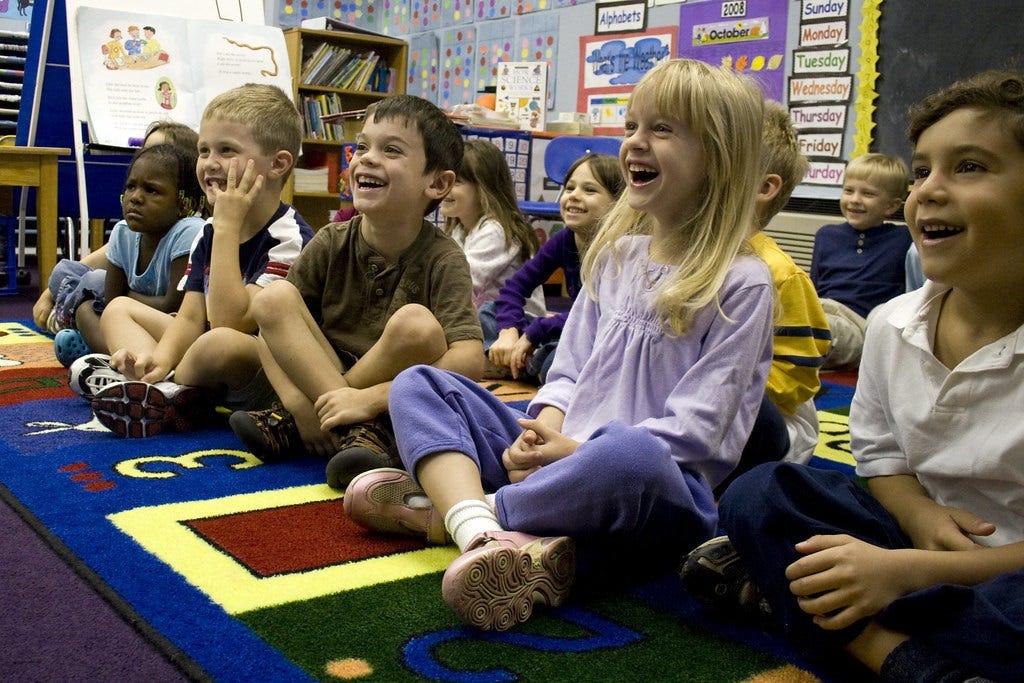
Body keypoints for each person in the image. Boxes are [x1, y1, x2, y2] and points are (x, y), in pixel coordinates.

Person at [342, 59, 774, 632]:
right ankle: (492, 534)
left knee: (628, 454)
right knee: (421, 383)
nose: (635, 145)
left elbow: (695, 435)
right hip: (555, 455)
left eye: (662, 130)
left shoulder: (744, 284)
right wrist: (536, 432)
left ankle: (464, 514)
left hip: (653, 489)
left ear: (718, 158)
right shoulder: (615, 258)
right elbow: (566, 373)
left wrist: (567, 453)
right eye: (631, 128)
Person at [682, 69, 1024, 682]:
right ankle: (894, 649)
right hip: (910, 542)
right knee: (762, 494)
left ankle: (843, 624)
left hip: (1005, 573)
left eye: (969, 167)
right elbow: (881, 458)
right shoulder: (894, 325)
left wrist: (909, 574)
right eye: (922, 171)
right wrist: (918, 521)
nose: (929, 191)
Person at [228, 94, 483, 491]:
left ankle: (338, 424)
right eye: (362, 146)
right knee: (273, 298)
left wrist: (374, 399)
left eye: (391, 150)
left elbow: (469, 361)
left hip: (390, 394)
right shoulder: (332, 240)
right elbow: (270, 330)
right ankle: (351, 429)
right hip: (322, 373)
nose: (366, 157)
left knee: (417, 326)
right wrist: (299, 402)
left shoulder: (444, 257)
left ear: (437, 184)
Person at [76, 83, 314, 437]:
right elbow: (190, 317)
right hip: (204, 352)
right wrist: (160, 359)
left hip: (264, 367)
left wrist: (228, 226)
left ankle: (163, 391)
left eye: (226, 150)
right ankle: (156, 382)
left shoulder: (288, 237)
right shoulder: (208, 229)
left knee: (216, 342)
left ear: (278, 164)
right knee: (118, 309)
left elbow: (229, 322)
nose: (209, 163)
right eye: (204, 150)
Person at [715, 101, 832, 495]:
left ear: (764, 187)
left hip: (771, 423)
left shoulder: (779, 274)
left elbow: (799, 373)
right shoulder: (676, 255)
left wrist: (713, 385)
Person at [35, 121, 201, 359]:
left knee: (93, 283)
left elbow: (170, 307)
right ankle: (112, 351)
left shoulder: (191, 229)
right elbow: (112, 299)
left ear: (183, 200)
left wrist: (122, 298)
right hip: (123, 314)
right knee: (72, 282)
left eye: (151, 189)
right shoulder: (124, 231)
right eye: (131, 187)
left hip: (169, 326)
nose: (135, 198)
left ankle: (104, 349)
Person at [482, 153, 624, 382]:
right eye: (569, 188)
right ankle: (525, 362)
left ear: (619, 204)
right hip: (564, 331)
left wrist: (534, 333)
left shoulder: (619, 250)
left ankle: (516, 363)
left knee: (563, 355)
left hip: (598, 338)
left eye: (589, 190)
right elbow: (514, 288)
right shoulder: (565, 239)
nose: (574, 196)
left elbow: (597, 317)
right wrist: (508, 331)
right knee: (488, 313)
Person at [810, 152, 911, 368]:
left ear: (891, 206)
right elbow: (813, 287)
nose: (855, 199)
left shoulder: (903, 239)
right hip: (820, 309)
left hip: (859, 327)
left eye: (868, 194)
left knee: (812, 328)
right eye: (848, 190)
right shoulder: (826, 235)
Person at [441, 139, 545, 314]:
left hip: (518, 326)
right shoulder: (459, 231)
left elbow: (458, 282)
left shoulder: (496, 231)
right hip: (489, 320)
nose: (443, 187)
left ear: (483, 189)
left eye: (456, 181)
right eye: (442, 179)